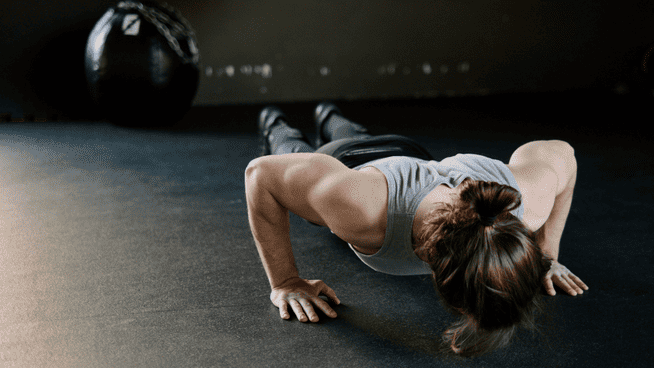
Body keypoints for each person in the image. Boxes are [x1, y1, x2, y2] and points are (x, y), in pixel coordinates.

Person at [244, 102, 589, 357]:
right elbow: (261, 175)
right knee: (296, 156)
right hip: (348, 166)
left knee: (358, 135)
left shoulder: (527, 202)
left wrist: (545, 256)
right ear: (432, 264)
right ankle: (275, 121)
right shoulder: (358, 211)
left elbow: (565, 154)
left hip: (402, 154)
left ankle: (329, 113)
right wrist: (286, 282)